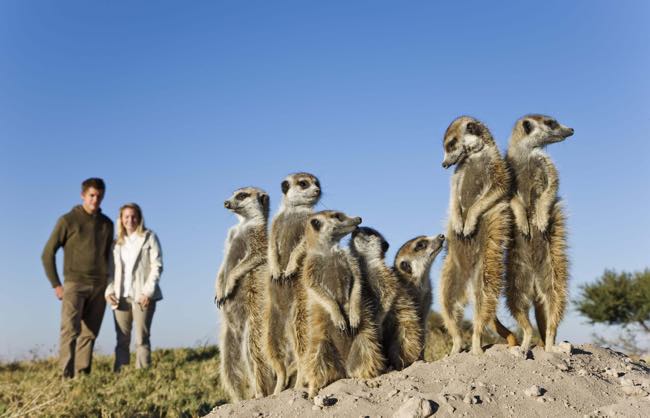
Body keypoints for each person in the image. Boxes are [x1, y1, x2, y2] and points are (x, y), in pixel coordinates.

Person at [42, 177, 114, 378]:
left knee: (89, 333)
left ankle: (82, 375)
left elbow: (110, 257)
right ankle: (65, 376)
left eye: (99, 196)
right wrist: (56, 284)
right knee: (70, 331)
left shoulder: (107, 224)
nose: (95, 200)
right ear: (83, 195)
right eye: (91, 195)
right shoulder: (67, 220)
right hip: (74, 283)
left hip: (99, 286)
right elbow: (47, 253)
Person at [105, 203, 163, 371]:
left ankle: (142, 374)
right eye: (126, 217)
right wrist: (109, 291)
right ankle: (121, 374)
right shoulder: (116, 244)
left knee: (141, 338)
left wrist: (148, 292)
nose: (130, 220)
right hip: (120, 297)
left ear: (139, 218)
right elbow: (110, 271)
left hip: (143, 296)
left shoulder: (149, 237)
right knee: (122, 339)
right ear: (121, 220)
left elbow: (157, 265)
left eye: (133, 216)